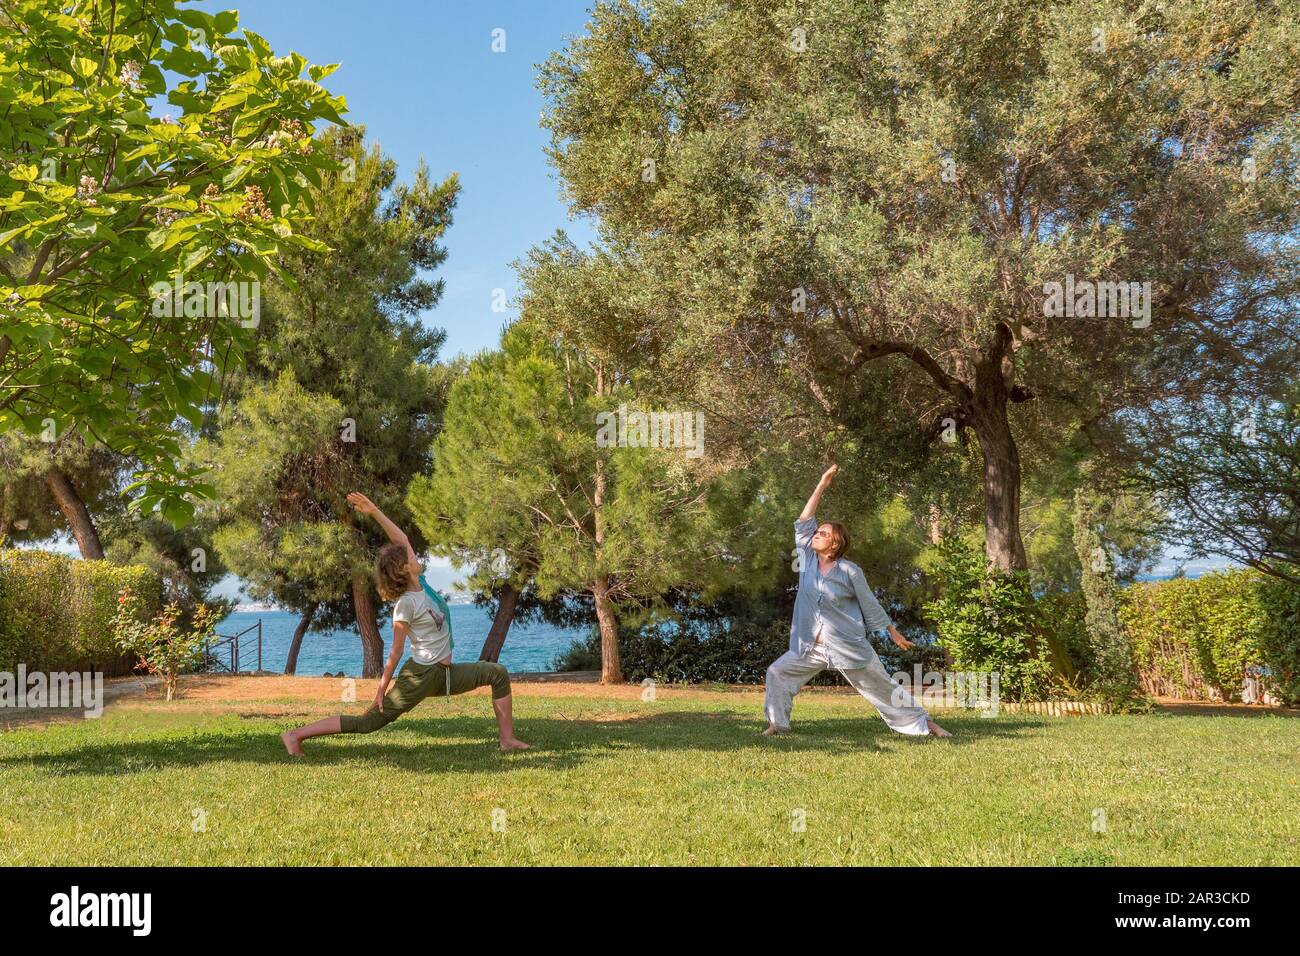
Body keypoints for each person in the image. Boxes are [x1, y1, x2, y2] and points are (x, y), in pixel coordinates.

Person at [281, 491, 530, 755]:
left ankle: (507, 739)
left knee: (497, 673)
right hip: (420, 676)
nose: (416, 557)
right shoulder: (405, 605)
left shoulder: (421, 585)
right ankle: (295, 735)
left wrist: (374, 510)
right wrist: (381, 690)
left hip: (445, 674)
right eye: (410, 558)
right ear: (403, 569)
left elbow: (402, 539)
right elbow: (395, 651)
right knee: (367, 723)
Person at [762, 465, 952, 738]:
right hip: (808, 646)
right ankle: (777, 725)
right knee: (777, 673)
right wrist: (821, 485)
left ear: (835, 544)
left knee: (882, 688)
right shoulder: (805, 560)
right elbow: (804, 521)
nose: (816, 535)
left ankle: (926, 724)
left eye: (823, 534)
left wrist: (892, 632)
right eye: (817, 533)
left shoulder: (850, 571)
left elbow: (870, 603)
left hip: (847, 646)